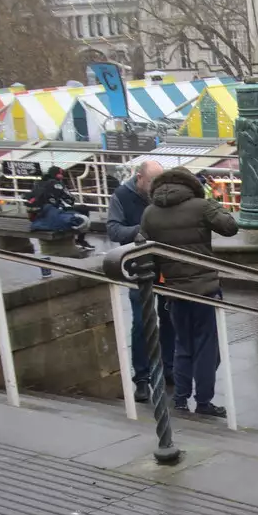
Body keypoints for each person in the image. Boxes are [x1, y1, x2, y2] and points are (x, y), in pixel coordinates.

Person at [140, 167, 239, 417]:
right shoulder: (201, 206)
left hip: (174, 291)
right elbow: (230, 227)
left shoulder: (150, 212)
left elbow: (145, 250)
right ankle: (204, 402)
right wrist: (212, 204)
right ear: (190, 184)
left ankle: (181, 400)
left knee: (182, 345)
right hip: (205, 289)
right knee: (207, 347)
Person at [107, 159, 174, 404]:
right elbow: (113, 230)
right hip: (137, 267)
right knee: (142, 322)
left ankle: (169, 368)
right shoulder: (121, 196)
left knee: (169, 317)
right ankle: (142, 378)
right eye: (152, 182)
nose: (157, 187)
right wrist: (143, 231)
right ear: (140, 178)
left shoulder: (164, 195)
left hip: (164, 266)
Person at [28, 166, 91, 249]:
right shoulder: (57, 184)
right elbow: (69, 199)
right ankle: (80, 240)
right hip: (53, 213)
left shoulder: (38, 183)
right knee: (83, 209)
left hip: (38, 217)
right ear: (58, 175)